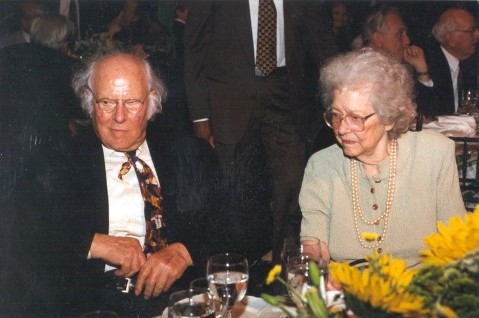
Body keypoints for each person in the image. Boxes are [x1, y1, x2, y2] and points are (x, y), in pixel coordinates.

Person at [4, 52, 223, 317]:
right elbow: (17, 229)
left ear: (151, 101)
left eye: (131, 103)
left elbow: (237, 220)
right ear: (89, 100)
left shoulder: (187, 152)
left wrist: (185, 251)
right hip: (99, 304)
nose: (118, 116)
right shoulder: (60, 159)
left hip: (182, 298)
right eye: (106, 102)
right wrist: (92, 243)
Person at [184, 0, 337, 265]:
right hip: (228, 98)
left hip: (285, 94)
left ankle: (282, 259)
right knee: (231, 184)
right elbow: (194, 47)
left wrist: (345, 88)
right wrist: (200, 115)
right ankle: (231, 264)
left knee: (292, 179)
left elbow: (322, 41)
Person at [299, 49, 466, 270]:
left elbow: (458, 245)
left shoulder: (434, 153)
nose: (341, 128)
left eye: (355, 118)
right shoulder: (321, 166)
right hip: (348, 294)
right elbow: (312, 245)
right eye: (336, 115)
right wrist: (311, 266)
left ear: (388, 118)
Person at [418, 7, 479, 118]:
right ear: (451, 38)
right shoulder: (428, 63)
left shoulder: (471, 64)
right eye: (471, 31)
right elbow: (430, 112)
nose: (477, 35)